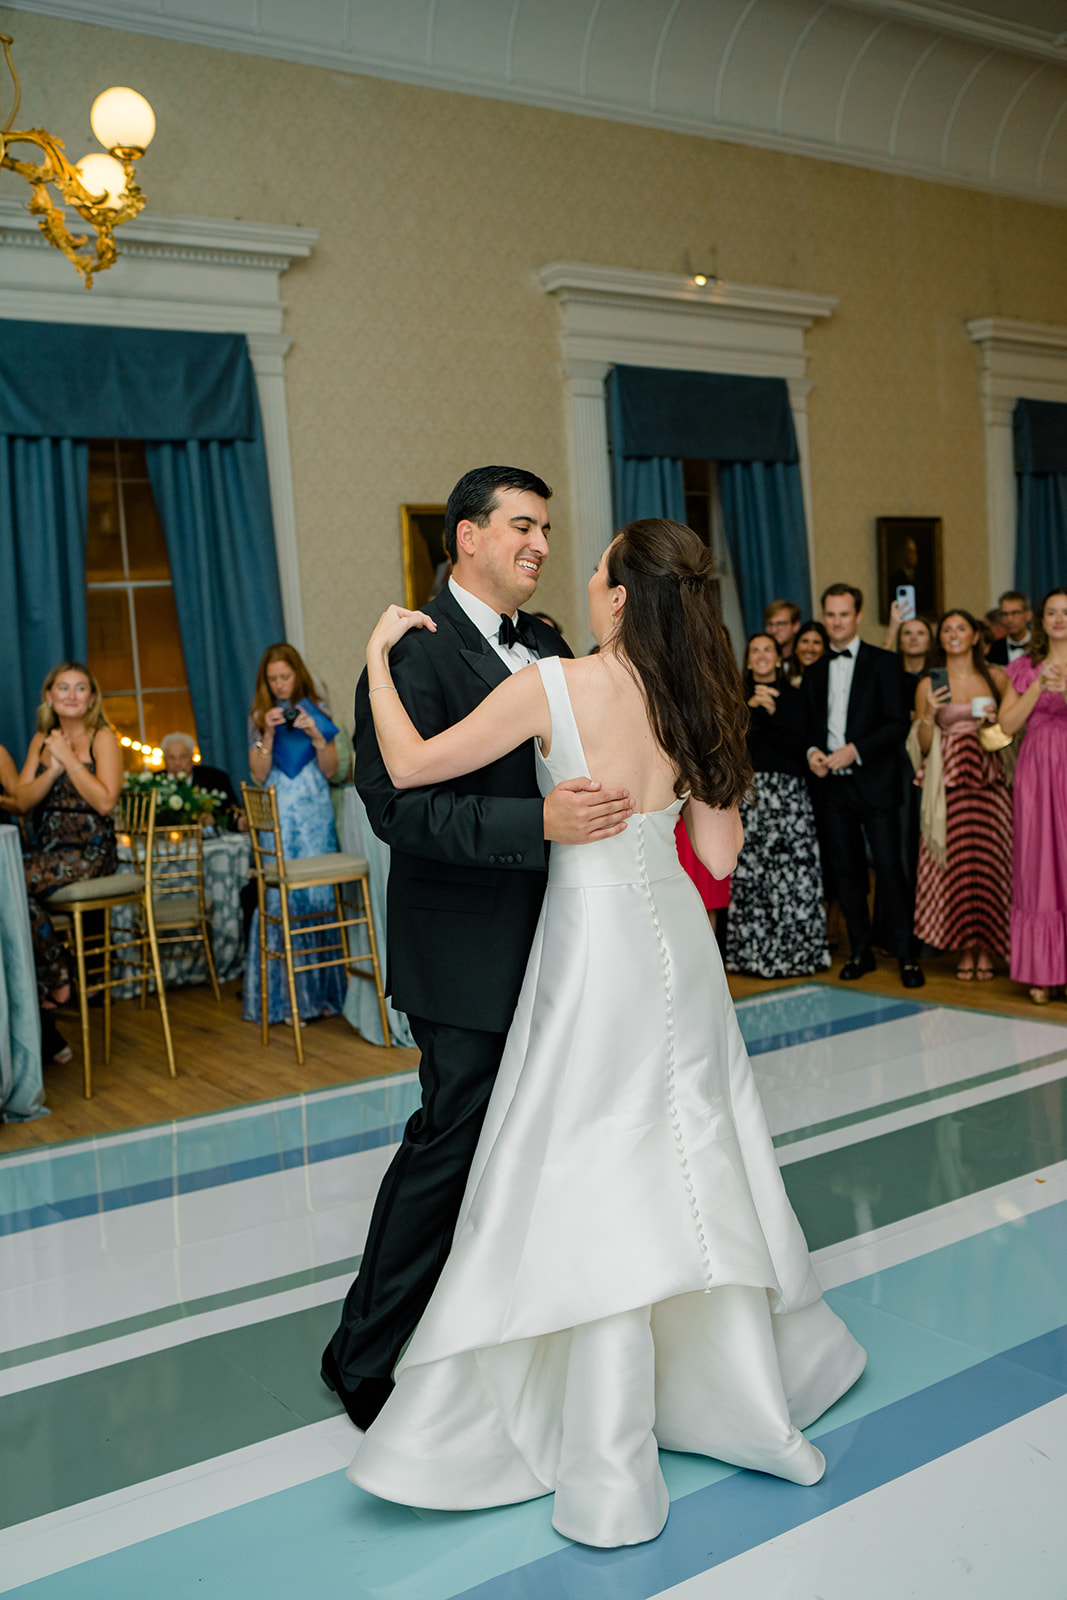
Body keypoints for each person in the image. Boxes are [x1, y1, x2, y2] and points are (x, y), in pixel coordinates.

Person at [346, 519, 866, 1549]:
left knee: (588, 1157)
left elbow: (406, 766)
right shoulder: (698, 701)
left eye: (593, 568)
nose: (579, 579)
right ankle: (733, 1386)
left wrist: (372, 659)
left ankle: (601, 1418)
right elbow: (716, 855)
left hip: (590, 945)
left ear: (621, 596)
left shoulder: (555, 684)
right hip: (673, 935)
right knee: (691, 1142)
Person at [322, 466, 633, 1429]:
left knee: (534, 1144)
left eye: (546, 529)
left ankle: (497, 1327)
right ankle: (362, 1354)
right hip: (461, 951)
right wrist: (532, 821)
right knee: (450, 1144)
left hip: (561, 937)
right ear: (466, 537)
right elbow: (394, 808)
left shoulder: (542, 641)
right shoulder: (414, 651)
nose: (540, 544)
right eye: (522, 527)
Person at [801, 584, 924, 987]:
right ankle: (860, 951)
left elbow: (897, 723)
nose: (837, 622)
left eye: (844, 614)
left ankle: (908, 956)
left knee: (890, 870)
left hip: (875, 784)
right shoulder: (815, 670)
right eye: (831, 614)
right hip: (832, 789)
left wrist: (855, 750)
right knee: (846, 871)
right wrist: (812, 752)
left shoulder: (884, 663)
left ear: (857, 616)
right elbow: (808, 727)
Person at [17, 662, 123, 1061]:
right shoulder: (41, 741)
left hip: (91, 851)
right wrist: (52, 767)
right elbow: (24, 803)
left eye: (81, 688)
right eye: (63, 688)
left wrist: (70, 760)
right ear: (49, 696)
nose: (72, 695)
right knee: (11, 891)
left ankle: (55, 980)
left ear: (92, 698)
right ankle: (58, 972)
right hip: (48, 851)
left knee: (10, 883)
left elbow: (105, 801)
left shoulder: (103, 738)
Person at [242, 642, 347, 1026]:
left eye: (285, 677)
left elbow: (331, 770)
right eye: (273, 679)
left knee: (317, 891)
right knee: (283, 896)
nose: (280, 685)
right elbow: (257, 773)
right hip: (280, 811)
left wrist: (316, 735)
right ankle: (287, 1001)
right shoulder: (260, 716)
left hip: (315, 810)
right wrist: (266, 735)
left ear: (297, 674)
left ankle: (323, 997)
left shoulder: (318, 711)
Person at [913, 611, 1011, 981]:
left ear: (975, 636)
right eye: (947, 629)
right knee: (953, 865)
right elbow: (923, 745)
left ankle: (988, 948)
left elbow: (1011, 730)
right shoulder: (929, 683)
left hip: (989, 779)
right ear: (941, 639)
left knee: (991, 862)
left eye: (961, 628)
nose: (954, 634)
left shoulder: (996, 676)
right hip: (948, 782)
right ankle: (963, 947)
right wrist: (932, 713)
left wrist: (993, 724)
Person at [726, 634, 829, 978]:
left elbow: (798, 744)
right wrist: (752, 710)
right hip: (752, 793)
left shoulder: (796, 696)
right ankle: (753, 955)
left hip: (788, 795)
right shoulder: (735, 696)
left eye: (768, 649)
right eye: (754, 650)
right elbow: (735, 748)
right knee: (753, 872)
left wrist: (774, 712)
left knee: (793, 875)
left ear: (778, 657)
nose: (761, 655)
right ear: (748, 658)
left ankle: (796, 954)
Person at [999, 587, 1067, 1004]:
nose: (1059, 619)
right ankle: (1043, 970)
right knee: (1040, 867)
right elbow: (1006, 725)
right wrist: (1038, 686)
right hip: (1038, 772)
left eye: (1066, 612)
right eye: (1052, 612)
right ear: (1039, 619)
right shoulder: (1025, 666)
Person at [161, 732, 244, 827]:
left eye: (183, 757)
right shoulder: (153, 784)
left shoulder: (215, 778)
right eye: (171, 758)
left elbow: (232, 814)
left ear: (192, 758)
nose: (177, 763)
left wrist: (213, 819)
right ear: (164, 760)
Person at [987, 590, 1032, 666]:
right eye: (1005, 614)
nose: (1009, 619)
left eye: (1015, 613)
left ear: (1028, 615)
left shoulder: (1043, 646)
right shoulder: (993, 650)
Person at [764, 598, 802, 678]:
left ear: (796, 626)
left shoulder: (806, 658)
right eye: (770, 624)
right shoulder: (762, 661)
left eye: (780, 624)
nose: (774, 630)